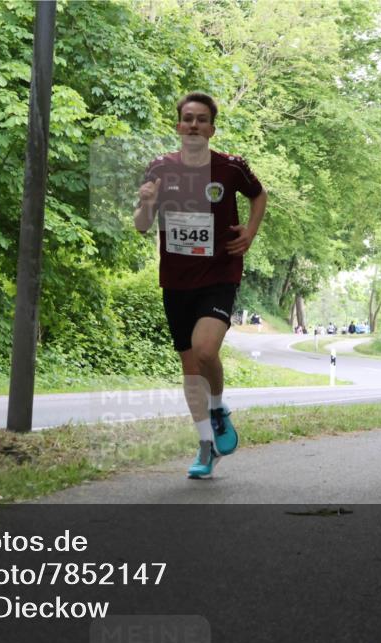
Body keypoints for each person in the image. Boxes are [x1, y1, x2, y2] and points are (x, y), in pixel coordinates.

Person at [134, 91, 268, 479]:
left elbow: (259, 195)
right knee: (191, 367)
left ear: (211, 129)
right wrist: (146, 203)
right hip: (176, 280)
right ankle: (206, 446)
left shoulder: (231, 167)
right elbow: (142, 225)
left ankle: (219, 408)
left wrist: (250, 232)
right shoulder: (159, 168)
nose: (194, 124)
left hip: (220, 274)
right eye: (188, 118)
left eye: (202, 119)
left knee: (206, 351)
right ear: (178, 125)